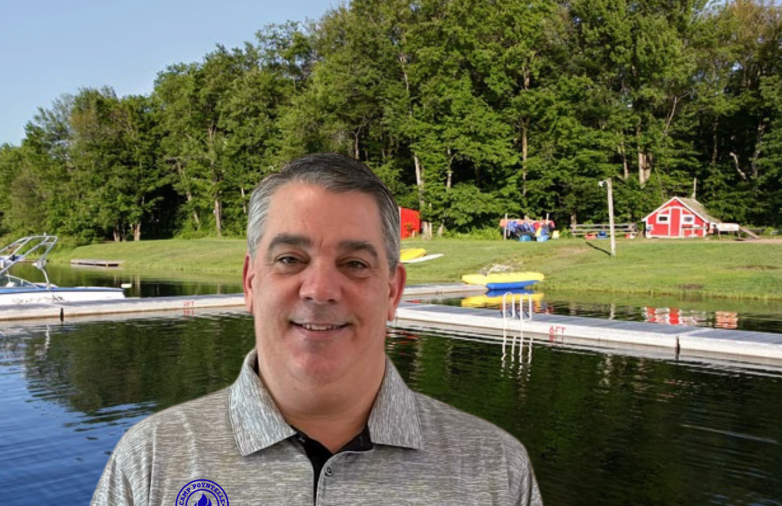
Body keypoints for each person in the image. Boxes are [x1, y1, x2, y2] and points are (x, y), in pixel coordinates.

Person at [91, 153, 543, 506]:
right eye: (290, 259)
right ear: (251, 282)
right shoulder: (151, 461)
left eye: (355, 264)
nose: (321, 289)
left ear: (392, 291)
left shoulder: (495, 470)